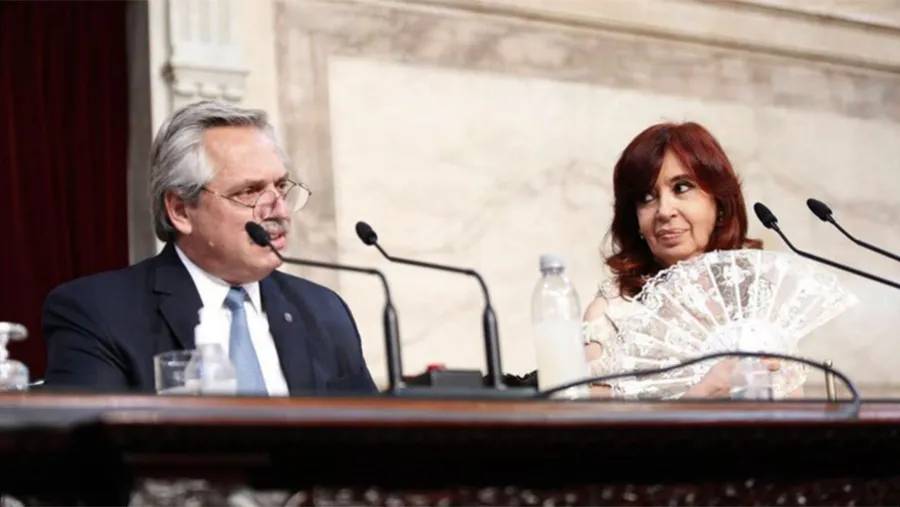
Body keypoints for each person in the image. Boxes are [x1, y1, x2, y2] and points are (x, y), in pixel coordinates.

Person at [42, 100, 378, 395]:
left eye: (280, 186)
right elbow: (88, 458)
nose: (279, 210)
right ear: (181, 210)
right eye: (249, 192)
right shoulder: (99, 313)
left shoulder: (324, 311)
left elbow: (370, 447)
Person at [582, 121, 793, 399]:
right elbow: (595, 435)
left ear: (718, 203)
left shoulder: (757, 302)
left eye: (681, 188)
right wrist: (702, 393)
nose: (664, 211)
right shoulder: (611, 315)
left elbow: (794, 421)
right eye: (647, 198)